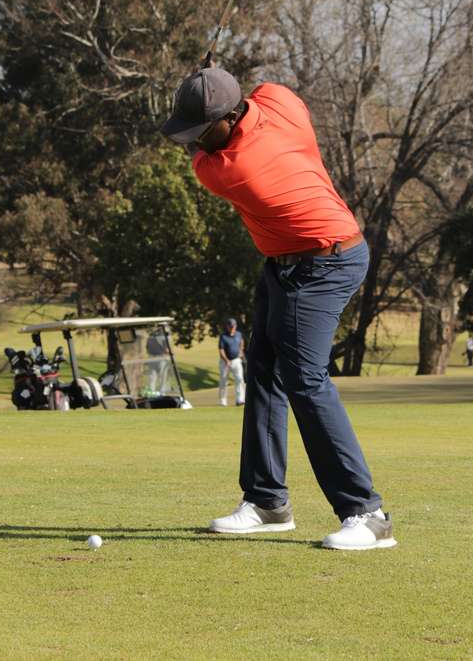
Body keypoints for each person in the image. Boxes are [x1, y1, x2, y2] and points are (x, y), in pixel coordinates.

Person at [161, 67, 396, 551]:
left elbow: (206, 159)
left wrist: (208, 84)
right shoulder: (280, 102)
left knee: (306, 381)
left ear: (231, 117)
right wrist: (209, 81)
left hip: (323, 265)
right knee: (263, 370)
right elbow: (263, 88)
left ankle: (367, 514)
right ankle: (268, 502)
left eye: (202, 131)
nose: (195, 142)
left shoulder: (230, 169)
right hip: (289, 262)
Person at [218, 318, 246, 406]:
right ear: (227, 326)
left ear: (235, 326)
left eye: (233, 326)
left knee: (239, 379)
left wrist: (241, 351)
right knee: (223, 381)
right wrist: (226, 360)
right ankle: (223, 401)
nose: (232, 328)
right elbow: (221, 350)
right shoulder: (223, 336)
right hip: (225, 362)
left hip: (236, 360)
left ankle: (240, 400)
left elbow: (241, 342)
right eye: (230, 326)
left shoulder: (238, 334)